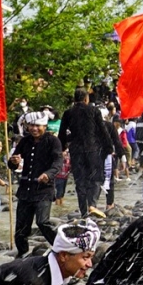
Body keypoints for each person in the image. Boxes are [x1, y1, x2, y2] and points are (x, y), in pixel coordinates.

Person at [9, 112, 64, 257]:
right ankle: (22, 253)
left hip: (44, 190)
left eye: (38, 126)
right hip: (25, 190)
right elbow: (12, 163)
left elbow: (58, 162)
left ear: (44, 126)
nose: (34, 129)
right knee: (21, 227)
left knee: (42, 221)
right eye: (31, 125)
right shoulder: (24, 141)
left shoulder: (53, 141)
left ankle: (60, 248)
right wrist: (13, 162)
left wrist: (48, 174)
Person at [59, 87, 114, 216]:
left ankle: (83, 210)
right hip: (92, 149)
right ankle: (92, 205)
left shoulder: (68, 113)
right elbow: (102, 130)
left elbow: (62, 133)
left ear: (74, 99)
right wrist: (109, 147)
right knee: (96, 177)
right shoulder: (94, 111)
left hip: (76, 150)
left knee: (80, 180)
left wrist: (62, 147)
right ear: (86, 99)